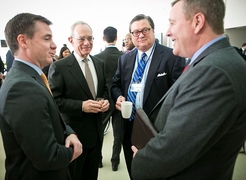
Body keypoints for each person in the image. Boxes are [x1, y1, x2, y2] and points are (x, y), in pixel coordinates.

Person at [131, 0, 246, 179]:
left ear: (197, 22)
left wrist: (141, 161)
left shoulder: (213, 72)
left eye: (172, 23)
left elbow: (174, 148)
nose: (168, 32)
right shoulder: (210, 62)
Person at [0, 13, 82, 180]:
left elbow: (51, 116)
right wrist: (75, 150)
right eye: (46, 38)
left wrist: (69, 133)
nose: (54, 45)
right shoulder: (22, 87)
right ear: (23, 41)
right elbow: (48, 158)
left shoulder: (31, 77)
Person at [110, 14, 185, 179]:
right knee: (133, 170)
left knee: (157, 173)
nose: (140, 35)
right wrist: (119, 97)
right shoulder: (125, 59)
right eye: (135, 32)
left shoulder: (171, 56)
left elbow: (180, 93)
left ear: (153, 31)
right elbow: (115, 85)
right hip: (129, 127)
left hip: (157, 130)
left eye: (145, 30)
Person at [48, 21, 110, 180]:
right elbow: (55, 102)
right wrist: (81, 106)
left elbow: (103, 90)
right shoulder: (59, 67)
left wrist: (104, 100)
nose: (87, 43)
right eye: (81, 39)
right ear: (71, 40)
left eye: (90, 38)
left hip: (97, 133)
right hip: (74, 136)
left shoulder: (99, 63)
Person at [94, 26, 124, 171]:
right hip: (119, 100)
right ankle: (114, 162)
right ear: (117, 37)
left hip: (103, 101)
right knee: (118, 134)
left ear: (103, 38)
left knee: (99, 132)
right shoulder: (124, 57)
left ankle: (98, 160)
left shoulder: (97, 58)